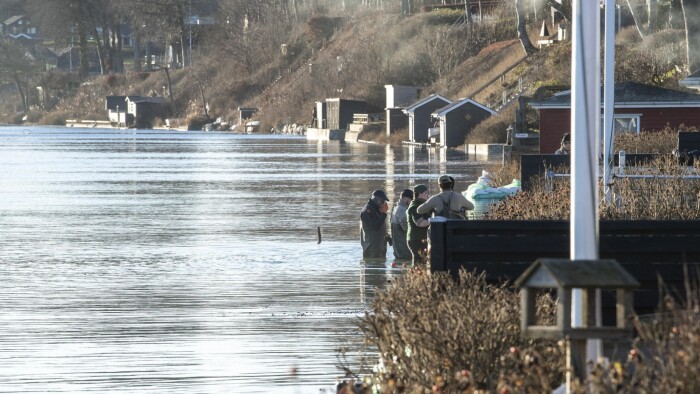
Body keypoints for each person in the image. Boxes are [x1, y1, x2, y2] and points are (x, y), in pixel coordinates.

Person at [360, 189, 390, 259]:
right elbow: (375, 226)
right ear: (376, 199)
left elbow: (381, 226)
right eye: (382, 201)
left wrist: (387, 237)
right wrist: (383, 213)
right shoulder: (366, 211)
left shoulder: (377, 210)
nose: (383, 203)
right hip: (372, 250)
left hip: (380, 248)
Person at [407, 184, 431, 266]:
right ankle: (415, 278)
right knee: (418, 264)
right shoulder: (415, 206)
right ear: (420, 194)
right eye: (426, 193)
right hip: (416, 240)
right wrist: (434, 220)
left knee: (423, 263)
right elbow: (420, 223)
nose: (428, 195)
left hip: (421, 239)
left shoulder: (423, 205)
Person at [390, 188, 413, 260]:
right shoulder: (402, 210)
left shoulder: (395, 208)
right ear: (405, 198)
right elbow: (406, 228)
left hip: (397, 250)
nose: (412, 202)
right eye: (411, 199)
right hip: (404, 250)